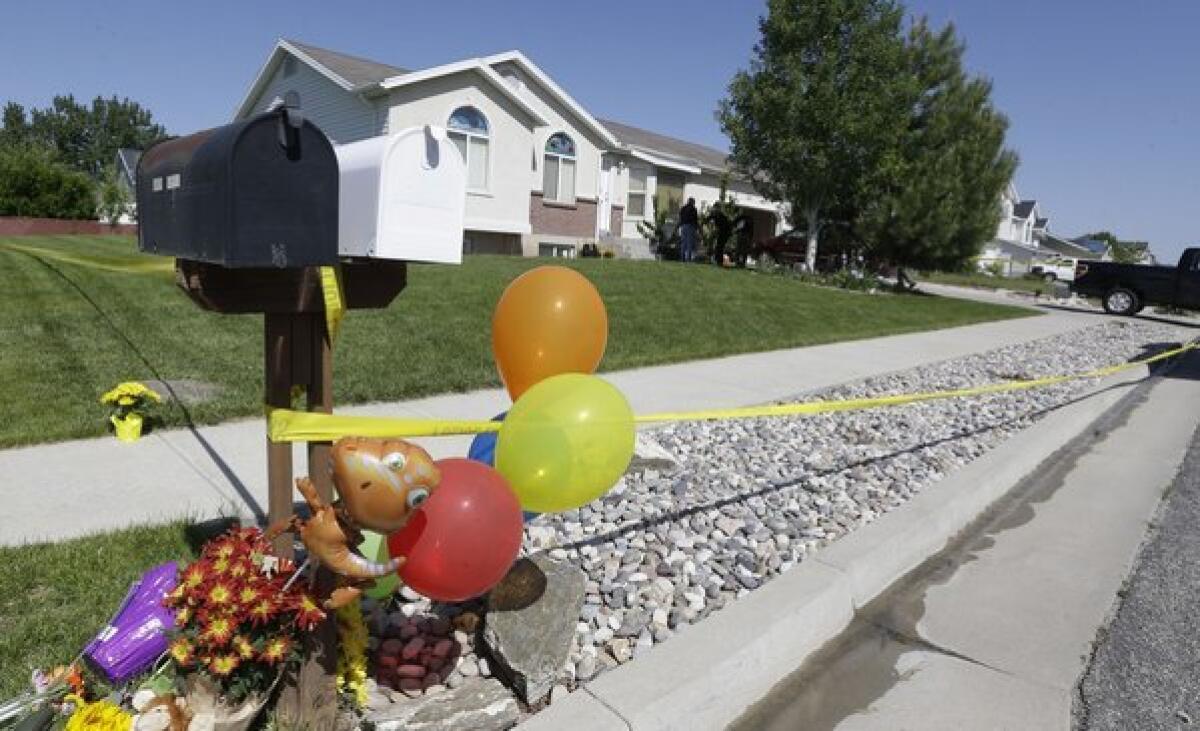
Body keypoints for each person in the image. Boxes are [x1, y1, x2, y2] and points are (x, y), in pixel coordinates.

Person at [678, 198, 699, 262]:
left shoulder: (683, 208)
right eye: (694, 202)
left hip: (683, 226)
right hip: (690, 226)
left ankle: (682, 258)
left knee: (683, 243)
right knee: (689, 243)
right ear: (692, 202)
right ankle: (688, 258)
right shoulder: (693, 209)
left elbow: (680, 217)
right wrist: (697, 228)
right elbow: (695, 220)